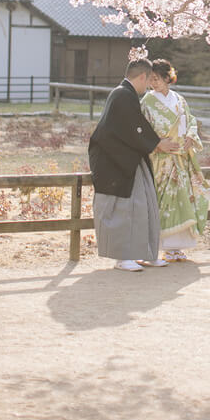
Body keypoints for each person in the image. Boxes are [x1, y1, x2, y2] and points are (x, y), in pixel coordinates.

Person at [88, 55, 179, 272]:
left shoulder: (125, 95)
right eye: (148, 81)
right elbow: (134, 128)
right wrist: (157, 143)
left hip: (128, 160)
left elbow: (135, 127)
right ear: (141, 77)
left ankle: (145, 253)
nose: (149, 87)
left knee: (144, 206)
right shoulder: (122, 95)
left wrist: (155, 142)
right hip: (115, 162)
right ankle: (123, 257)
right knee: (125, 209)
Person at [141, 58, 209, 261]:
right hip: (161, 159)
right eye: (150, 80)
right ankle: (163, 246)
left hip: (180, 158)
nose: (153, 83)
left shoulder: (179, 99)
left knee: (182, 199)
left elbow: (191, 120)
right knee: (165, 202)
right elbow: (143, 129)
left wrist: (190, 136)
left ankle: (177, 247)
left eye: (157, 79)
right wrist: (158, 143)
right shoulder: (147, 102)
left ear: (167, 77)